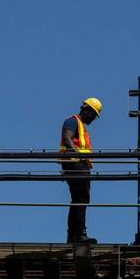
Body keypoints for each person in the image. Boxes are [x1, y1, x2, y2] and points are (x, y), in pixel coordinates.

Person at [59, 98, 102, 244]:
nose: (93, 119)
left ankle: (73, 235)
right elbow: (67, 139)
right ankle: (79, 234)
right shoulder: (73, 121)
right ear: (87, 110)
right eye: (93, 115)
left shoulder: (82, 127)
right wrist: (80, 156)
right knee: (81, 199)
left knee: (78, 199)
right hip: (74, 164)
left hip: (78, 165)